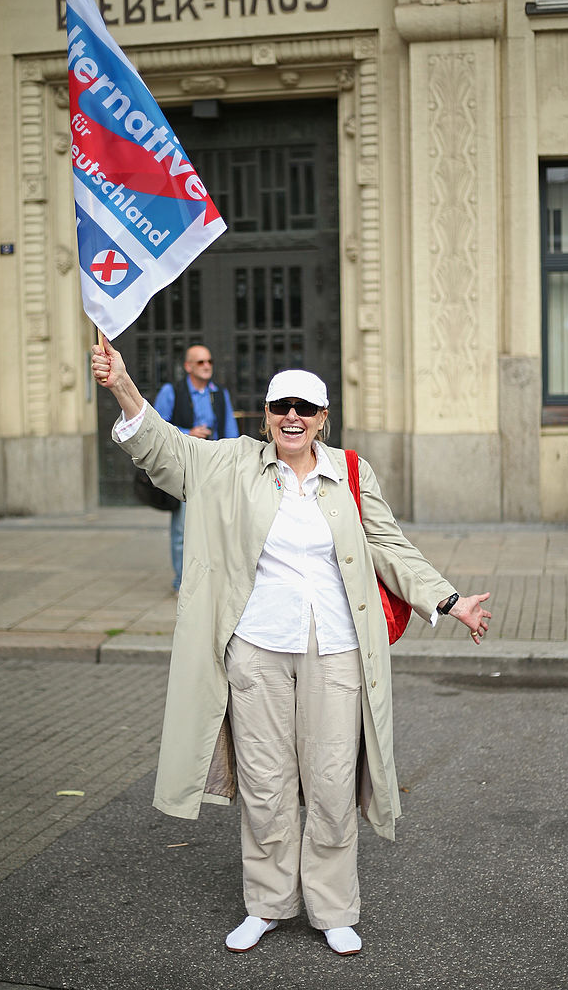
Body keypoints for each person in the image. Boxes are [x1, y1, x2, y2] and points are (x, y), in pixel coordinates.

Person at [91, 338, 491, 956]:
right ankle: (268, 904)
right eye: (281, 406)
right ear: (266, 415)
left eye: (306, 407)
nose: (293, 417)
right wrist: (122, 384)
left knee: (331, 782)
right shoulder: (230, 465)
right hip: (256, 647)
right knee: (265, 783)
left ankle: (333, 910)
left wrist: (447, 600)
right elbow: (161, 447)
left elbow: (390, 548)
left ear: (324, 417)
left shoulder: (350, 474)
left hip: (335, 648)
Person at [153, 345, 239, 591]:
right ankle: (182, 581)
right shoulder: (172, 391)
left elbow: (231, 429)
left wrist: (234, 460)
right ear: (188, 366)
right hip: (186, 466)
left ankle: (215, 577)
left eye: (209, 361)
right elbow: (157, 427)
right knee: (183, 528)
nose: (207, 365)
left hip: (216, 465)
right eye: (200, 362)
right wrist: (188, 433)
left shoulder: (218, 393)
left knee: (219, 524)